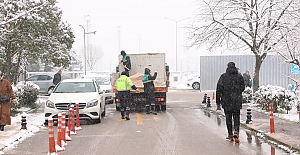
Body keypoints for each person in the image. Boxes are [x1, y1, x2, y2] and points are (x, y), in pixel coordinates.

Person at [216, 62, 245, 143]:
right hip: (237, 100)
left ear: (227, 67)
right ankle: (236, 131)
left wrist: (218, 102)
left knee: (228, 118)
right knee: (236, 117)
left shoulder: (223, 76)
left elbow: (218, 89)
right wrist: (237, 92)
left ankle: (230, 135)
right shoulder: (239, 76)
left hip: (226, 100)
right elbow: (243, 87)